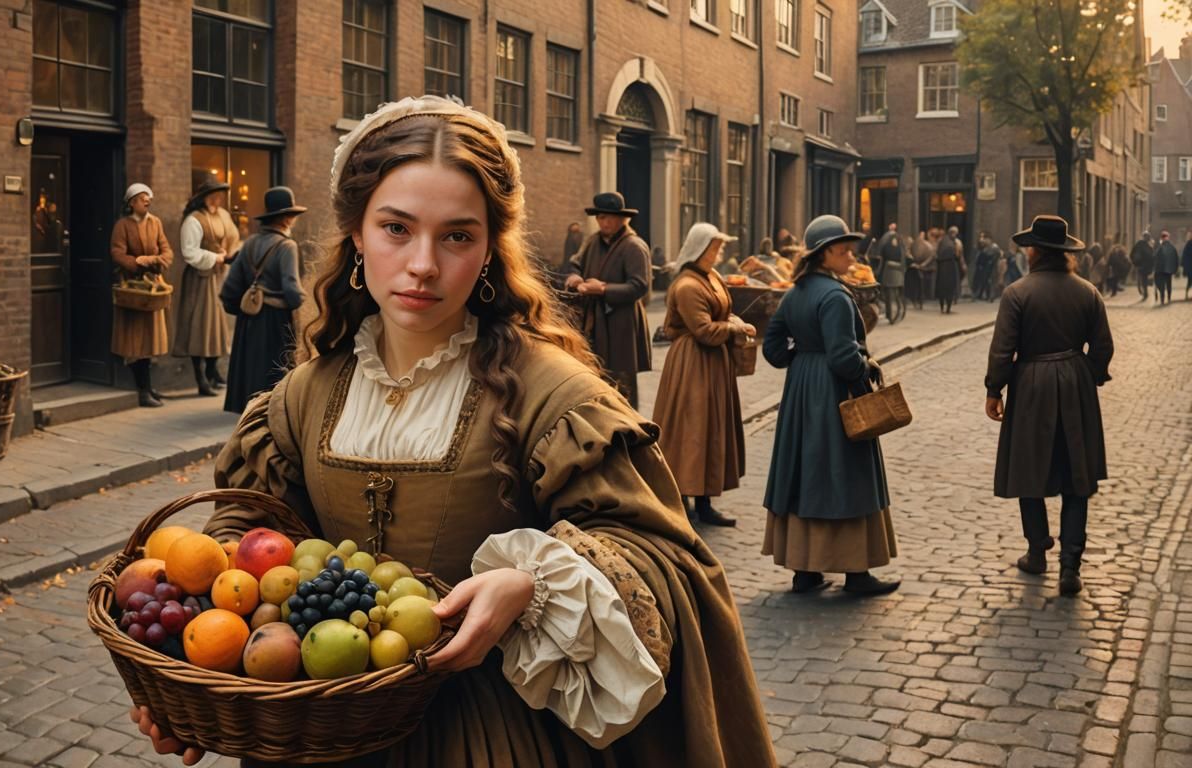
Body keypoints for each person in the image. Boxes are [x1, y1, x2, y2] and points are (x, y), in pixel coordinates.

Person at [129, 95, 776, 767]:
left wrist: (532, 584)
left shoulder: (552, 396)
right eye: (396, 229)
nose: (424, 265)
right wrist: (204, 674)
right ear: (356, 233)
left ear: (491, 248)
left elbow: (663, 559)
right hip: (317, 732)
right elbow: (242, 538)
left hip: (492, 737)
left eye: (457, 236)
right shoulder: (303, 397)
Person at [761, 215, 901, 597]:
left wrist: (803, 358)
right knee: (847, 473)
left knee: (805, 471)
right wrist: (863, 374)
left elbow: (773, 349)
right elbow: (843, 357)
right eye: (844, 251)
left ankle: (805, 572)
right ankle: (857, 574)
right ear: (824, 255)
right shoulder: (835, 296)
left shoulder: (796, 292)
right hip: (834, 392)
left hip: (801, 391)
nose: (851, 257)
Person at [985, 215, 1113, 596]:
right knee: (1077, 475)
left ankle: (1037, 551)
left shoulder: (1017, 293)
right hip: (1075, 384)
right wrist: (1086, 373)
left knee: (1029, 466)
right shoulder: (1088, 292)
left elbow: (1003, 351)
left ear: (1036, 251)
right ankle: (1070, 569)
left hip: (1031, 386)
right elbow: (1103, 347)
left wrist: (995, 390)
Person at [653, 222, 754, 528]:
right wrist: (734, 328)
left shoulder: (711, 277)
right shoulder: (687, 285)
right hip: (692, 365)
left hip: (713, 365)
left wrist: (735, 320)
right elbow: (704, 331)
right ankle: (682, 502)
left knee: (710, 430)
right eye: (715, 246)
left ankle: (705, 502)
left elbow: (721, 314)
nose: (719, 251)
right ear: (700, 248)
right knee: (690, 430)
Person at [218, 186, 307, 415]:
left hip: (249, 321)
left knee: (252, 367)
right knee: (273, 369)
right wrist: (305, 302)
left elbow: (229, 290)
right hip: (276, 321)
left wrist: (246, 309)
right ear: (286, 218)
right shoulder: (287, 246)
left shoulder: (248, 244)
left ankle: (250, 412)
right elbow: (292, 291)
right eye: (293, 216)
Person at [563, 192, 653, 408]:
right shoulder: (592, 241)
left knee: (621, 379)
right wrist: (574, 276)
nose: (605, 222)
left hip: (621, 322)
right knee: (595, 372)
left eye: (610, 217)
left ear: (623, 219)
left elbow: (639, 286)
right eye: (601, 217)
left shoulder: (634, 246)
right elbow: (575, 263)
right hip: (595, 321)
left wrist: (602, 289)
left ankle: (628, 427)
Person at [108, 183, 173, 408]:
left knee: (150, 339)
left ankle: (148, 386)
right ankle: (142, 390)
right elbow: (117, 252)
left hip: (151, 288)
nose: (147, 201)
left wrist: (156, 260)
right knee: (135, 341)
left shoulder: (155, 223)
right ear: (131, 202)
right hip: (133, 289)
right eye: (142, 198)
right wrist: (136, 262)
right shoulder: (123, 225)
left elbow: (166, 250)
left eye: (149, 198)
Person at [175, 175, 239, 395]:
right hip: (200, 279)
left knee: (218, 326)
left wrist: (228, 253)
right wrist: (216, 257)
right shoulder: (193, 219)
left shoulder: (223, 215)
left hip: (220, 277)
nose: (217, 200)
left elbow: (233, 236)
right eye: (213, 196)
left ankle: (213, 372)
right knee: (200, 327)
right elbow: (189, 252)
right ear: (203, 197)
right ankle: (200, 377)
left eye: (219, 196)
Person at [877, 225, 906, 324]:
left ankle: (891, 315)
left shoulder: (886, 244)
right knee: (897, 295)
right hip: (898, 272)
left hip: (889, 272)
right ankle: (898, 313)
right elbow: (903, 258)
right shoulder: (901, 246)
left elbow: (881, 256)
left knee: (889, 294)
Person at [935, 225, 961, 313]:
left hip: (942, 268)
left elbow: (938, 253)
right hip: (950, 268)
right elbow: (956, 256)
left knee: (942, 288)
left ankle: (942, 307)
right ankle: (947, 308)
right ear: (952, 233)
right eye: (955, 234)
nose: (955, 236)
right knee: (950, 288)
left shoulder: (942, 241)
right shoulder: (952, 244)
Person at [907, 230, 934, 310]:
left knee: (921, 286)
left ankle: (920, 300)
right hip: (916, 268)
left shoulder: (927, 245)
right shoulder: (914, 245)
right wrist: (913, 262)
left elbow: (931, 256)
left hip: (923, 268)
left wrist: (923, 265)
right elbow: (909, 253)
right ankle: (916, 300)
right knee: (916, 286)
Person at [1154, 230, 1179, 306]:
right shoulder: (1172, 247)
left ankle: (1164, 299)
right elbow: (1176, 259)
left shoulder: (1161, 247)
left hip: (1162, 270)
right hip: (1167, 270)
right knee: (1168, 285)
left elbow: (1155, 257)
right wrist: (1175, 269)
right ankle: (1167, 298)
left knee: (1163, 285)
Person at [974, 233, 1002, 301]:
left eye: (986, 239)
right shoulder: (985, 247)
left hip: (993, 267)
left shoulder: (994, 247)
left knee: (992, 281)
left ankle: (991, 296)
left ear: (989, 239)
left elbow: (997, 255)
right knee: (987, 281)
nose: (985, 241)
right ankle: (987, 295)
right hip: (987, 267)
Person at [1131, 231, 1155, 301]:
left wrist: (1134, 262)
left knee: (1143, 279)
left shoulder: (1138, 244)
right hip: (1146, 266)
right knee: (1144, 279)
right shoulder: (1149, 246)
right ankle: (1145, 292)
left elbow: (1132, 253)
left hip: (1140, 265)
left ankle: (1144, 292)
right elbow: (1152, 256)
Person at [1183, 228, 1192, 300]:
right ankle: (1186, 293)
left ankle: (1186, 293)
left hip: (1189, 266)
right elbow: (1185, 255)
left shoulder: (1188, 244)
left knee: (1189, 281)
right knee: (1189, 281)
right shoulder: (1188, 244)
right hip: (1190, 266)